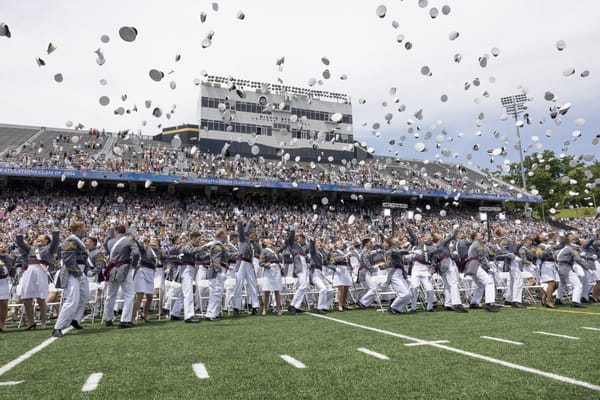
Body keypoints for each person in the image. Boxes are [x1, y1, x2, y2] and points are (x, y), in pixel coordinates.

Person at [15, 228, 60, 330]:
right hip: (29, 271)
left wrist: (55, 232)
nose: (38, 238)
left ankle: (43, 322)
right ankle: (31, 322)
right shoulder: (30, 248)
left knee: (41, 299)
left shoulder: (49, 249)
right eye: (38, 237)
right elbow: (20, 243)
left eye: (41, 238)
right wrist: (19, 233)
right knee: (26, 298)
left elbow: (56, 241)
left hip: (40, 271)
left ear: (46, 241)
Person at [52, 221, 88, 338]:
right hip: (73, 272)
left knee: (84, 296)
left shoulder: (78, 240)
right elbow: (68, 259)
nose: (85, 229)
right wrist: (78, 273)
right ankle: (58, 327)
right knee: (72, 300)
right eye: (83, 227)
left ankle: (75, 319)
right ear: (78, 228)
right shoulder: (71, 240)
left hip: (80, 272)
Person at [103, 224, 140, 328]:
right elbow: (136, 253)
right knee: (129, 294)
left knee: (110, 295)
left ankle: (108, 318)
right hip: (124, 268)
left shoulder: (109, 241)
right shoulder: (129, 240)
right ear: (125, 231)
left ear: (116, 231)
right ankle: (125, 320)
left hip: (112, 268)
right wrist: (133, 264)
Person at [433, 226, 467, 312]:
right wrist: (455, 229)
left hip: (441, 265)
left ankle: (448, 303)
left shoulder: (435, 245)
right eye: (438, 234)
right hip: (447, 263)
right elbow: (451, 236)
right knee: (453, 283)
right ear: (436, 237)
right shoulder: (441, 242)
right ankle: (456, 303)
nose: (440, 235)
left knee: (447, 285)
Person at [170, 232, 202, 323]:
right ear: (194, 238)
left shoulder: (192, 246)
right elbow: (188, 251)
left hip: (190, 268)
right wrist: (201, 248)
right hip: (187, 268)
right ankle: (189, 315)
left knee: (182, 293)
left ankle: (174, 313)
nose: (199, 242)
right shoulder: (188, 245)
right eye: (198, 239)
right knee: (188, 292)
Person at [465, 231, 498, 312]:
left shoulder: (476, 244)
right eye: (480, 234)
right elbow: (481, 257)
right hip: (476, 266)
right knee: (489, 283)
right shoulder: (477, 245)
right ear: (476, 237)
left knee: (480, 285)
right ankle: (488, 304)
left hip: (472, 267)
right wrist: (488, 266)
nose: (482, 235)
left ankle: (474, 303)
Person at [233, 220, 260, 316]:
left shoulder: (252, 243)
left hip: (249, 263)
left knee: (252, 285)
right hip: (242, 262)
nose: (251, 232)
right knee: (239, 284)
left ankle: (254, 306)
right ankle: (236, 307)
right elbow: (241, 231)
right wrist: (243, 222)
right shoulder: (243, 238)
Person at [132, 237, 161, 324]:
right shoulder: (145, 247)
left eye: (156, 240)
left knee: (150, 296)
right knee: (140, 295)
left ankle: (144, 314)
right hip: (142, 270)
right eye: (153, 240)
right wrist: (137, 239)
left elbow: (164, 257)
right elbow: (139, 245)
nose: (155, 241)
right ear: (149, 242)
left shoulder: (158, 251)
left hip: (151, 272)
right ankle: (132, 318)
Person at [406, 226, 435, 312]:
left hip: (426, 269)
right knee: (414, 287)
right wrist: (408, 228)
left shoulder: (433, 248)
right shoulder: (419, 243)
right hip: (416, 267)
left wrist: (432, 270)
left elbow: (433, 260)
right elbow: (414, 236)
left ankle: (430, 307)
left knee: (430, 289)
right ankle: (413, 307)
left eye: (428, 237)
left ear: (432, 239)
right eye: (425, 237)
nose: (426, 238)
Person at [556, 232, 589, 308]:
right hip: (566, 268)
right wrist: (585, 261)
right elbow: (577, 259)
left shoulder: (562, 250)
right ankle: (575, 301)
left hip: (560, 268)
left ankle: (558, 298)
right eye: (572, 238)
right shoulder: (571, 249)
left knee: (562, 284)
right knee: (578, 285)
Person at [383, 237, 412, 314]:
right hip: (394, 274)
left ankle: (398, 308)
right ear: (392, 242)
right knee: (404, 293)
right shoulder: (392, 250)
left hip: (400, 273)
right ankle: (393, 307)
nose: (398, 239)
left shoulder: (396, 249)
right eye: (396, 239)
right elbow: (399, 252)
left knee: (409, 294)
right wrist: (411, 252)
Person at [205, 229, 228, 321]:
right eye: (225, 234)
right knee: (216, 292)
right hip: (216, 272)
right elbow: (216, 259)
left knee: (217, 293)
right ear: (222, 234)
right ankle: (212, 314)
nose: (226, 236)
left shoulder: (219, 245)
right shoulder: (218, 245)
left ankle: (214, 312)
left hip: (217, 271)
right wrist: (219, 271)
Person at [308, 238, 335, 314]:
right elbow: (312, 248)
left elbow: (326, 262)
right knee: (323, 289)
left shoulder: (321, 253)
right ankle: (320, 308)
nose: (319, 244)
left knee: (331, 290)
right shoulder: (313, 251)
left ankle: (325, 307)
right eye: (318, 243)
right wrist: (312, 241)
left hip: (321, 272)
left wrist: (335, 268)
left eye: (320, 242)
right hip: (315, 273)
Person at [258, 237, 283, 315]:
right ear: (265, 243)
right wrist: (267, 265)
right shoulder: (264, 251)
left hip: (276, 271)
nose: (270, 240)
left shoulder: (275, 249)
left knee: (277, 291)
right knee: (266, 291)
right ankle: (265, 308)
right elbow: (261, 263)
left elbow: (280, 256)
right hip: (269, 271)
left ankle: (279, 308)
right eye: (267, 240)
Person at [287, 229, 309, 315]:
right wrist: (293, 230)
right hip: (299, 265)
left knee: (305, 286)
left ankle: (297, 306)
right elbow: (291, 237)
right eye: (299, 237)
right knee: (303, 285)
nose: (300, 238)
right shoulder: (291, 243)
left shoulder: (300, 246)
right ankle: (292, 305)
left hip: (304, 265)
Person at [535, 233, 559, 308]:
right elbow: (539, 256)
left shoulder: (548, 245)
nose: (544, 236)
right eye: (542, 235)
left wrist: (554, 238)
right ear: (540, 239)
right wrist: (546, 251)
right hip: (546, 264)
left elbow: (558, 246)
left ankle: (544, 296)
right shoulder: (540, 246)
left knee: (557, 284)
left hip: (553, 264)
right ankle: (549, 301)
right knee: (551, 283)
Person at [329, 239, 352, 312]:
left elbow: (348, 261)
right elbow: (335, 259)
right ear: (336, 245)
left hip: (345, 269)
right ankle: (339, 305)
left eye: (341, 243)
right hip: (339, 269)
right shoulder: (334, 252)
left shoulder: (344, 252)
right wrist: (345, 256)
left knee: (346, 288)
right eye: (339, 243)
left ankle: (343, 303)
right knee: (340, 288)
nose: (341, 244)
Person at [0, 242, 12, 332]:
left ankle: (2, 323)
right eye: (1, 247)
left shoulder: (8, 259)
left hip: (3, 282)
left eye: (4, 246)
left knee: (4, 303)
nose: (3, 248)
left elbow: (10, 270)